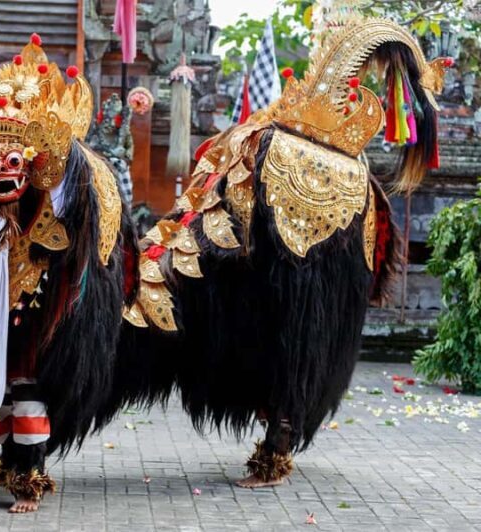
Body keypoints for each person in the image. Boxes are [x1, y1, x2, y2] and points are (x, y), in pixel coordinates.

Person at [100, 17, 450, 488]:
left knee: (294, 315)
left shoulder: (307, 170)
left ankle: (279, 440)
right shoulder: (253, 144)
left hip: (292, 253)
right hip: (235, 244)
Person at [0, 34, 139, 513]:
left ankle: (31, 475)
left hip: (39, 301)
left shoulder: (60, 210)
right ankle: (11, 455)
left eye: (12, 162)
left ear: (35, 167)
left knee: (28, 385)